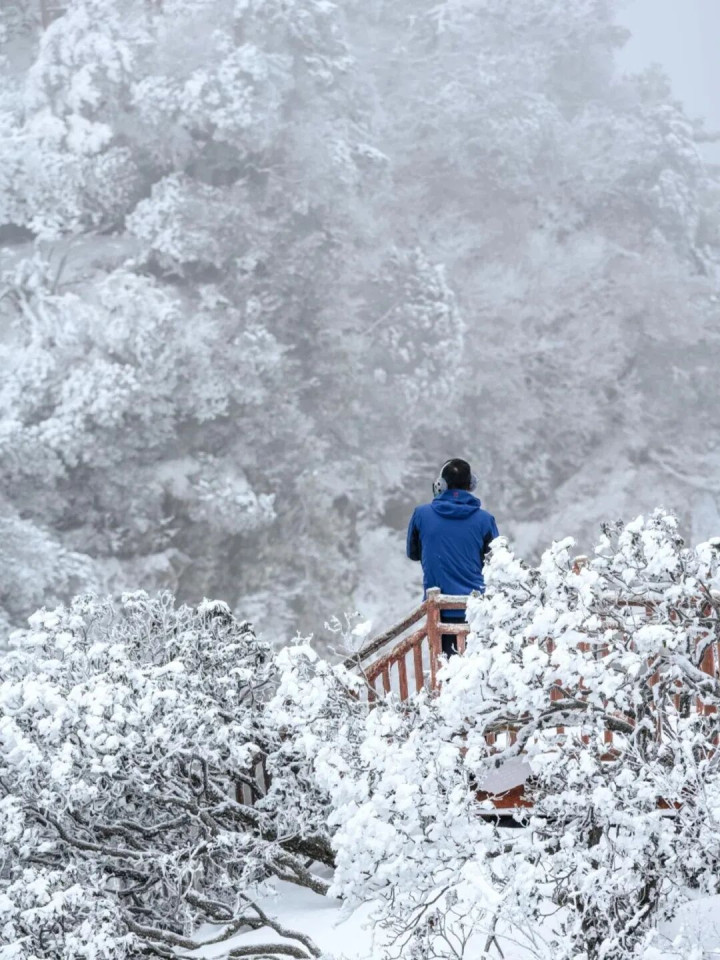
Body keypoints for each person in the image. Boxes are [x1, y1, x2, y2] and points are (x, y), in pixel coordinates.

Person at [406, 458, 498, 657]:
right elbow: (496, 563)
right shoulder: (485, 520)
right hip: (476, 611)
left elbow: (413, 553)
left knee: (444, 667)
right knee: (478, 670)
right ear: (471, 485)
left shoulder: (421, 515)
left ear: (440, 485)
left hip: (439, 611)